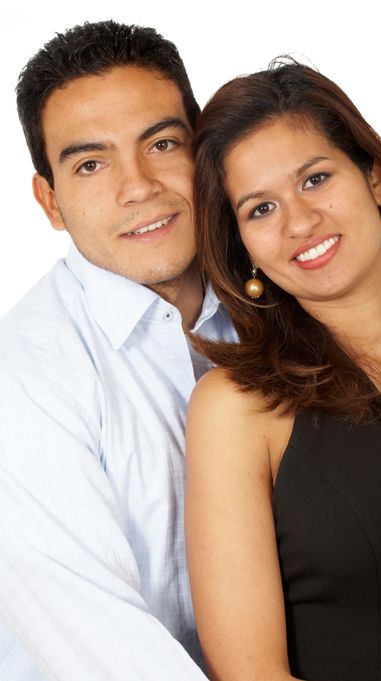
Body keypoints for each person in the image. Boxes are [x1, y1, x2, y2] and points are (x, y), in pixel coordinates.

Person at [185, 61, 381, 681]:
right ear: (241, 246)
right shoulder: (237, 409)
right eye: (260, 209)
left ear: (375, 179)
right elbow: (251, 675)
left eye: (316, 179)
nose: (299, 223)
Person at [0, 20, 235, 681]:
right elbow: (111, 660)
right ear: (50, 201)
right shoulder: (22, 381)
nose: (138, 187)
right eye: (91, 163)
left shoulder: (276, 307)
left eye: (161, 143)